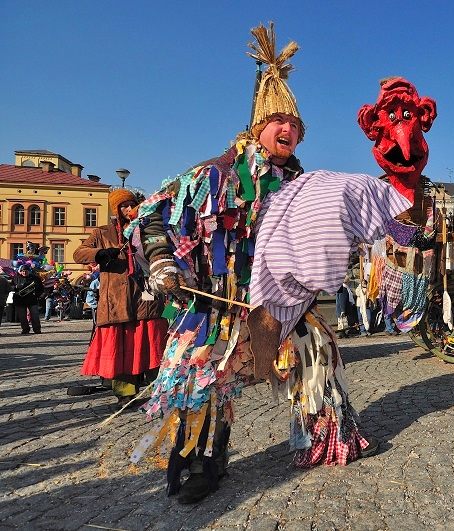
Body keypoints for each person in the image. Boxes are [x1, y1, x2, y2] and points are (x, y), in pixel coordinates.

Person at [129, 22, 408, 505]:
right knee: (204, 376)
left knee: (318, 357)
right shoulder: (214, 175)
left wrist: (395, 228)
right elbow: (150, 214)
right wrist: (161, 263)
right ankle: (203, 462)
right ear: (257, 128)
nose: (288, 131)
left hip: (286, 299)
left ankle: (329, 436)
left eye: (295, 125)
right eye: (279, 121)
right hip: (219, 302)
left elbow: (348, 222)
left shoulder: (305, 187)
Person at [73, 189, 169, 409]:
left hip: (145, 297)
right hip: (116, 300)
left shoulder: (146, 227)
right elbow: (79, 253)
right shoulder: (102, 232)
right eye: (124, 206)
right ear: (116, 209)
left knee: (152, 342)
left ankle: (159, 388)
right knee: (120, 346)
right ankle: (125, 393)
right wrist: (100, 254)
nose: (129, 209)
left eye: (132, 204)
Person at [12, 264, 43, 334]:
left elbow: (41, 288)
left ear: (29, 271)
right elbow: (11, 287)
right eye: (23, 271)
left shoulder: (36, 278)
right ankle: (25, 329)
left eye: (26, 271)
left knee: (35, 314)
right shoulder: (16, 278)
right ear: (20, 271)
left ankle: (37, 329)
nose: (24, 272)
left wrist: (37, 295)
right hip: (20, 300)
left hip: (32, 299)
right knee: (22, 316)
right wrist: (15, 287)